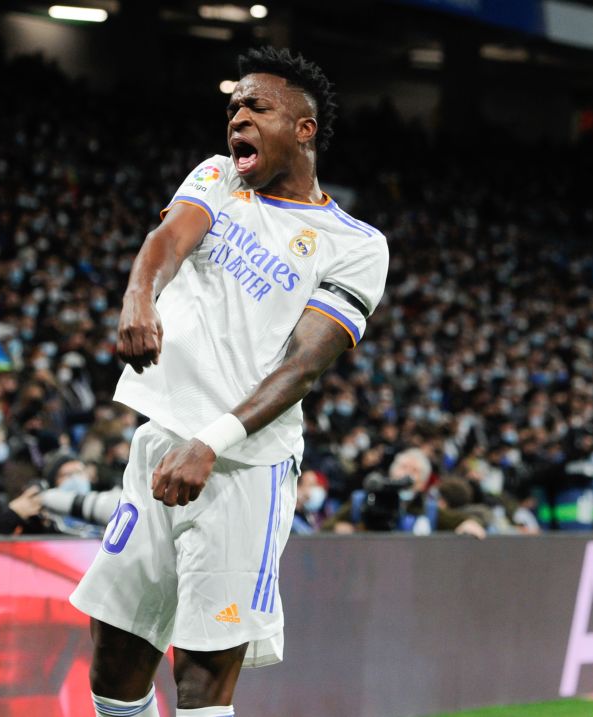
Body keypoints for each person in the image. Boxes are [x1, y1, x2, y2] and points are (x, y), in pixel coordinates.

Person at [69, 47, 389, 717]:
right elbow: (166, 243)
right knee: (115, 655)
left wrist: (212, 441)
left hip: (244, 466)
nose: (238, 116)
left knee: (203, 674)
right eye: (233, 108)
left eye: (257, 107)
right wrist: (139, 298)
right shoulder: (218, 177)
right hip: (162, 442)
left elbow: (303, 365)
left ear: (303, 128)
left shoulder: (355, 244)